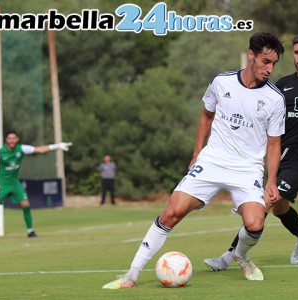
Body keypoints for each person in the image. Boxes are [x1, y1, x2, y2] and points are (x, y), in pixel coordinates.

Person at [102, 32, 286, 289]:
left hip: (247, 168)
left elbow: (274, 143)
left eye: (274, 64)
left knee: (255, 224)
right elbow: (205, 117)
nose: (270, 68)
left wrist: (272, 181)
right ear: (251, 55)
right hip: (212, 162)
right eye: (266, 61)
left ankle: (240, 255)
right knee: (171, 213)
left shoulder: (275, 98)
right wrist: (197, 152)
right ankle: (130, 276)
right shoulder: (222, 83)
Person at [204, 33, 298, 271]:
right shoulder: (282, 85)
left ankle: (228, 257)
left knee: (264, 203)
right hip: (278, 157)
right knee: (280, 208)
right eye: (296, 53)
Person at [0, 131, 72, 239]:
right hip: (1, 184)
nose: (11, 140)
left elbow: (40, 150)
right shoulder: (0, 152)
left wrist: (57, 146)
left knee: (26, 205)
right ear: (6, 140)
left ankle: (30, 231)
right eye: (9, 138)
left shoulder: (22, 149)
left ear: (17, 139)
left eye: (13, 138)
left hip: (14, 183)